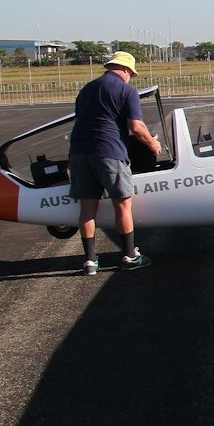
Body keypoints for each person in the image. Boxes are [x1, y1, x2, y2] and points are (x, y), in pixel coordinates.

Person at [68, 51, 162, 274]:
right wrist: (152, 144)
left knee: (87, 208)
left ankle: (90, 261)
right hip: (109, 152)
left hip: (79, 152)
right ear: (127, 70)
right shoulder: (126, 90)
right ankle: (130, 256)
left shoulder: (86, 89)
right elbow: (136, 127)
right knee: (123, 203)